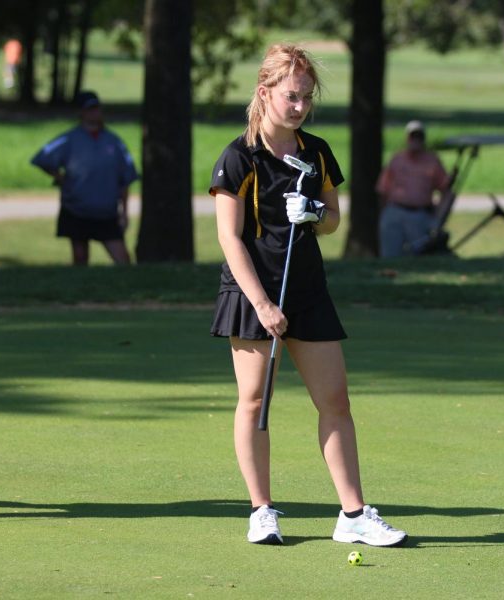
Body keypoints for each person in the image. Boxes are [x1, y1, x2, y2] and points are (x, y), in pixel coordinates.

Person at [209, 44, 407, 547]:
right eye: (290, 96)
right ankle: (261, 511)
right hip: (254, 291)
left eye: (305, 97)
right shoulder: (238, 157)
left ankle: (353, 514)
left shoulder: (315, 151)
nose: (299, 106)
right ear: (265, 92)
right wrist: (261, 304)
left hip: (307, 290)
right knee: (255, 401)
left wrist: (315, 213)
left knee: (335, 400)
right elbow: (229, 238)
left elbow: (335, 220)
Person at [31, 91, 137, 266]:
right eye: (89, 109)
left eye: (97, 109)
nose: (94, 113)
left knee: (123, 260)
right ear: (81, 112)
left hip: (107, 213)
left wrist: (124, 213)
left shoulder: (114, 142)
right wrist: (59, 176)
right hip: (76, 209)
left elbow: (126, 178)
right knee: (80, 258)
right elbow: (41, 158)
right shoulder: (70, 139)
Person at [376, 120, 450, 257]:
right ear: (407, 138)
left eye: (419, 137)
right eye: (413, 136)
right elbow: (383, 190)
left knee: (416, 255)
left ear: (423, 139)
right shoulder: (397, 159)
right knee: (389, 255)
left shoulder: (432, 161)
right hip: (394, 211)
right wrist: (384, 214)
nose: (415, 140)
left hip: (420, 214)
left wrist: (437, 218)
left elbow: (446, 191)